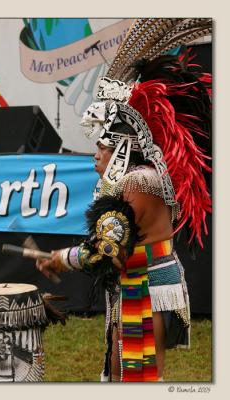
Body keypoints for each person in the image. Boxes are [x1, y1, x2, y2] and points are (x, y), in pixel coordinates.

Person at [36, 18, 212, 382]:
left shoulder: (137, 179)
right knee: (122, 375)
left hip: (148, 288)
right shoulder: (138, 176)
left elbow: (104, 249)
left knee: (138, 379)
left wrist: (61, 258)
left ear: (123, 148)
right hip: (135, 283)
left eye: (102, 145)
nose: (95, 153)